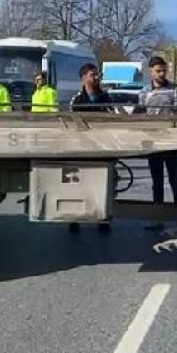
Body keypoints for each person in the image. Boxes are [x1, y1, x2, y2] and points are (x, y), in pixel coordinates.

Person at [138, 56, 177, 230]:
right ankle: (158, 218)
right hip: (154, 143)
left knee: (175, 180)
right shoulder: (144, 93)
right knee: (157, 181)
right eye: (158, 71)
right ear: (151, 72)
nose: (162, 74)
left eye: (164, 70)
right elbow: (139, 115)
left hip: (173, 142)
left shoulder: (176, 90)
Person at [69, 63, 113, 233]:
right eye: (92, 75)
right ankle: (74, 218)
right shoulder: (76, 99)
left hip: (103, 147)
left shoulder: (106, 98)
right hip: (82, 148)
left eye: (97, 75)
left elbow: (115, 118)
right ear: (83, 78)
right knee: (78, 184)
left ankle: (103, 219)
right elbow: (70, 123)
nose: (96, 78)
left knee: (104, 185)